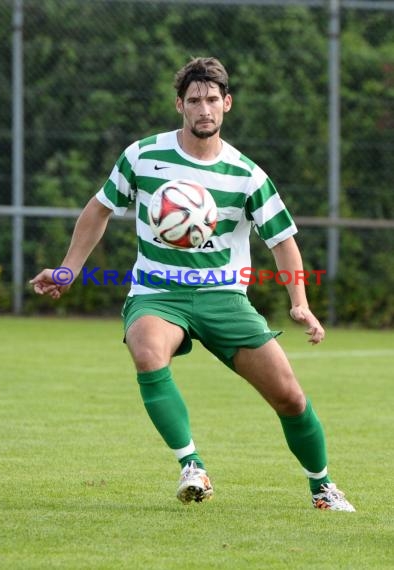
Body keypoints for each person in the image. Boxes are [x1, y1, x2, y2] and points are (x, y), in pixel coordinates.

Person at [30, 56, 355, 511]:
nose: (204, 109)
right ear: (179, 104)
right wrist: (68, 269)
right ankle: (191, 465)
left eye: (212, 100)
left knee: (290, 396)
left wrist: (299, 302)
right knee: (145, 350)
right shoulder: (143, 156)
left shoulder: (246, 174)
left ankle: (322, 487)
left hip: (224, 296)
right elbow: (99, 209)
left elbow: (282, 241)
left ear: (227, 104)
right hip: (158, 293)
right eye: (195, 100)